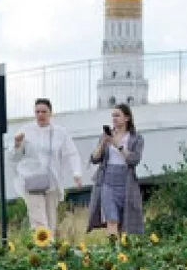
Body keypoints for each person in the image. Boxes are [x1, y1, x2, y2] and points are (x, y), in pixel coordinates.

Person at [9, 98, 83, 235]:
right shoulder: (26, 131)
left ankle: (50, 251)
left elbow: (72, 153)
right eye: (37, 112)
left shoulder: (60, 132)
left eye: (44, 111)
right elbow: (13, 157)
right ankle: (42, 248)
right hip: (32, 181)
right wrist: (17, 145)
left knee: (50, 220)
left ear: (50, 113)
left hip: (52, 182)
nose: (40, 115)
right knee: (39, 220)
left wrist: (76, 173)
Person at [87, 103, 145, 239]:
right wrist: (103, 143)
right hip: (107, 182)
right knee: (111, 219)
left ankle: (123, 252)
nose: (114, 118)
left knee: (126, 223)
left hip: (126, 182)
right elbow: (94, 158)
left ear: (127, 118)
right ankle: (112, 251)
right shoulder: (106, 136)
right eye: (113, 115)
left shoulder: (136, 138)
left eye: (118, 115)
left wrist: (117, 145)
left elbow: (134, 160)